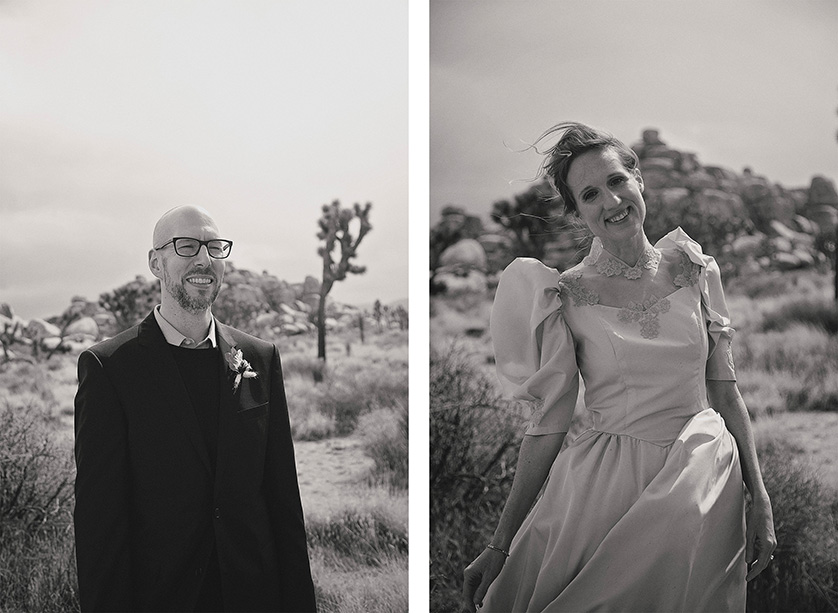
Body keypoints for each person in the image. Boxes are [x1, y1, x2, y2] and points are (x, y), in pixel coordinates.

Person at [462, 123, 776, 612]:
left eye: (616, 181)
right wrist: (500, 543)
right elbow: (549, 425)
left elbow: (725, 390)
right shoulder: (563, 295)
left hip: (706, 484)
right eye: (590, 194)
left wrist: (761, 497)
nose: (610, 201)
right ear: (578, 212)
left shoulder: (696, 269)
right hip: (606, 487)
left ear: (638, 180)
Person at [74, 205, 316, 612]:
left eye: (214, 247)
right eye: (186, 246)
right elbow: (100, 526)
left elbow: (283, 501)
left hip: (255, 597)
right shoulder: (109, 369)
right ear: (156, 263)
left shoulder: (260, 357)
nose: (204, 259)